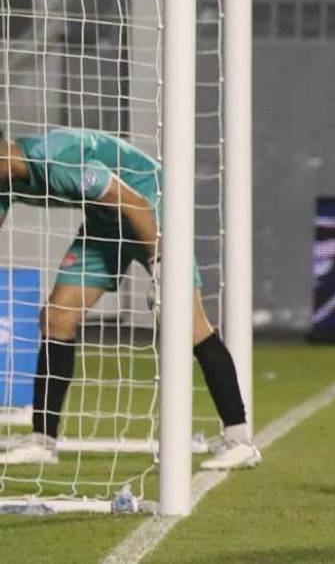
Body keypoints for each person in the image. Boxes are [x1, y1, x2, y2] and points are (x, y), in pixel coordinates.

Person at [0, 128, 259, 469]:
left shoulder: (56, 158)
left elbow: (135, 205)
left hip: (151, 204)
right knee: (57, 317)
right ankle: (43, 440)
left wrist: (162, 268)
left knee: (188, 323)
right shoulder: (5, 182)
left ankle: (239, 439)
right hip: (105, 221)